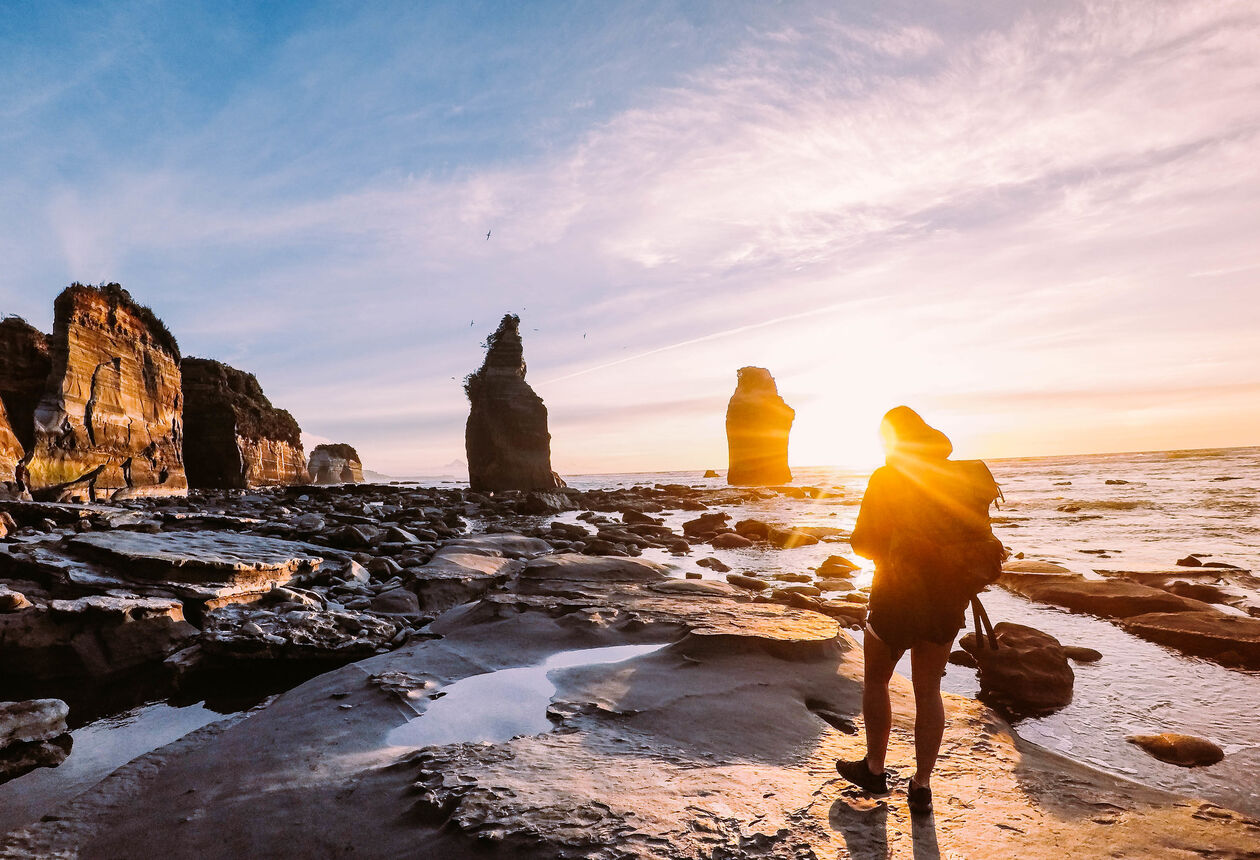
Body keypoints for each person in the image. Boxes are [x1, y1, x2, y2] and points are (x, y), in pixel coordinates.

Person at [835, 406, 1005, 815]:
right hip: (947, 599)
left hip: (897, 595)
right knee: (928, 691)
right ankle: (922, 785)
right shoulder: (963, 475)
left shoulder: (887, 478)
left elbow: (863, 542)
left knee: (876, 680)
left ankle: (874, 770)